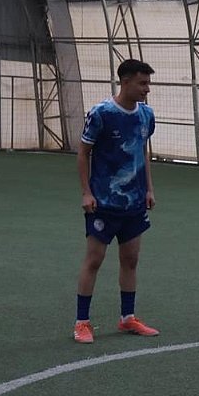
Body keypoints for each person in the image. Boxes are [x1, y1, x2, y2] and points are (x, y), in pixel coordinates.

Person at [73, 59, 160, 344]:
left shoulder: (146, 115)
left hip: (134, 204)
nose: (147, 89)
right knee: (94, 260)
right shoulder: (102, 113)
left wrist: (148, 189)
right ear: (125, 82)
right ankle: (82, 322)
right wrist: (86, 193)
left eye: (148, 83)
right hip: (103, 203)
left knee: (131, 259)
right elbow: (83, 153)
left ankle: (127, 318)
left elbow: (142, 151)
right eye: (142, 83)